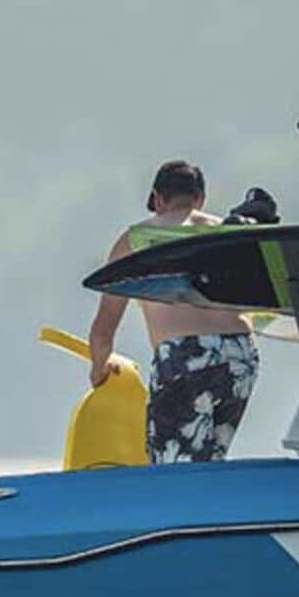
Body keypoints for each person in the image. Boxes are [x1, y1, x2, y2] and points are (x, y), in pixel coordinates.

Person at [86, 159, 260, 464]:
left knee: (175, 470)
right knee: (209, 465)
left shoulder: (137, 239)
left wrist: (98, 371)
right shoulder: (228, 232)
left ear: (157, 199)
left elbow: (104, 329)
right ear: (200, 199)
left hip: (187, 356)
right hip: (241, 353)